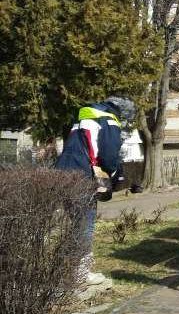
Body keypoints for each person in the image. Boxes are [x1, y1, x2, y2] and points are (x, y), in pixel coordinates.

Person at [55, 96, 135, 287]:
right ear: (121, 113)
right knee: (85, 223)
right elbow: (108, 156)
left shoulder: (86, 116)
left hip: (62, 170)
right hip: (82, 173)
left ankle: (68, 271)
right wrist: (114, 174)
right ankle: (81, 274)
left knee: (75, 224)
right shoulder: (109, 120)